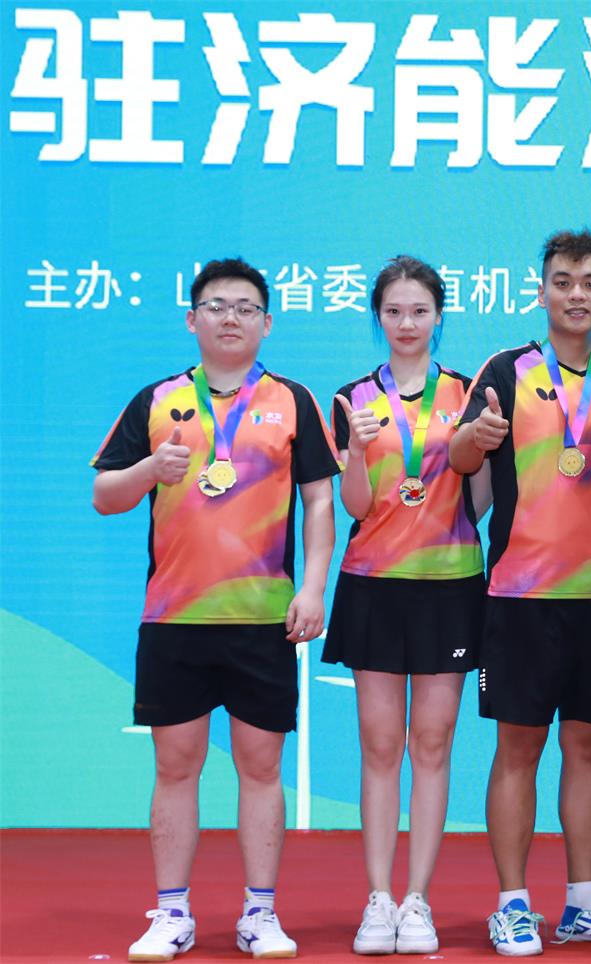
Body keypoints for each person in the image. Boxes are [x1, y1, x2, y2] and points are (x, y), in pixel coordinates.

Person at [93, 258, 338, 961]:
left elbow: (320, 500)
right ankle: (172, 913)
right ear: (192, 319)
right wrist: (150, 470)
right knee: (176, 768)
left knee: (261, 767)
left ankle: (261, 913)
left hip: (263, 619)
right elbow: (105, 496)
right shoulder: (158, 399)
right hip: (174, 619)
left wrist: (312, 587)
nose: (231, 317)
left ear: (267, 323)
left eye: (246, 307)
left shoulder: (292, 400)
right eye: (216, 305)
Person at [448, 229, 591, 958]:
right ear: (541, 292)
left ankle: (583, 902)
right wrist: (478, 433)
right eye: (563, 282)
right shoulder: (506, 370)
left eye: (590, 283)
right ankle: (511, 904)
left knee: (589, 747)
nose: (576, 294)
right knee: (519, 747)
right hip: (519, 595)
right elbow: (459, 459)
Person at [325, 256, 489, 954]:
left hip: (450, 584)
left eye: (419, 311)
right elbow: (356, 507)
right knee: (380, 744)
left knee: (432, 742)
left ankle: (418, 899)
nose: (407, 323)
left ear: (439, 316)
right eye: (393, 311)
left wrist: (471, 457)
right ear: (378, 317)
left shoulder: (470, 393)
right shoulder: (352, 400)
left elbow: (480, 500)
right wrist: (358, 452)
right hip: (373, 584)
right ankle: (378, 899)